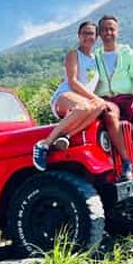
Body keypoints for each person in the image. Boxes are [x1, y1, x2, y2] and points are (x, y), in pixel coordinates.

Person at [33, 22, 108, 171]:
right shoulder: (73, 54)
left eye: (91, 33)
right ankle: (44, 145)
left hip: (82, 101)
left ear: (96, 37)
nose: (88, 37)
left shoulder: (96, 60)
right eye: (85, 33)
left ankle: (66, 136)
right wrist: (94, 98)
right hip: (65, 96)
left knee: (100, 105)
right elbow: (72, 82)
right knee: (88, 105)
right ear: (79, 36)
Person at [94, 14, 133, 180]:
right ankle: (126, 161)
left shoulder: (127, 53)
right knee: (110, 116)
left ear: (117, 32)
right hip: (106, 100)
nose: (108, 32)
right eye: (104, 29)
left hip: (127, 98)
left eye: (111, 29)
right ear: (99, 33)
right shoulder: (95, 57)